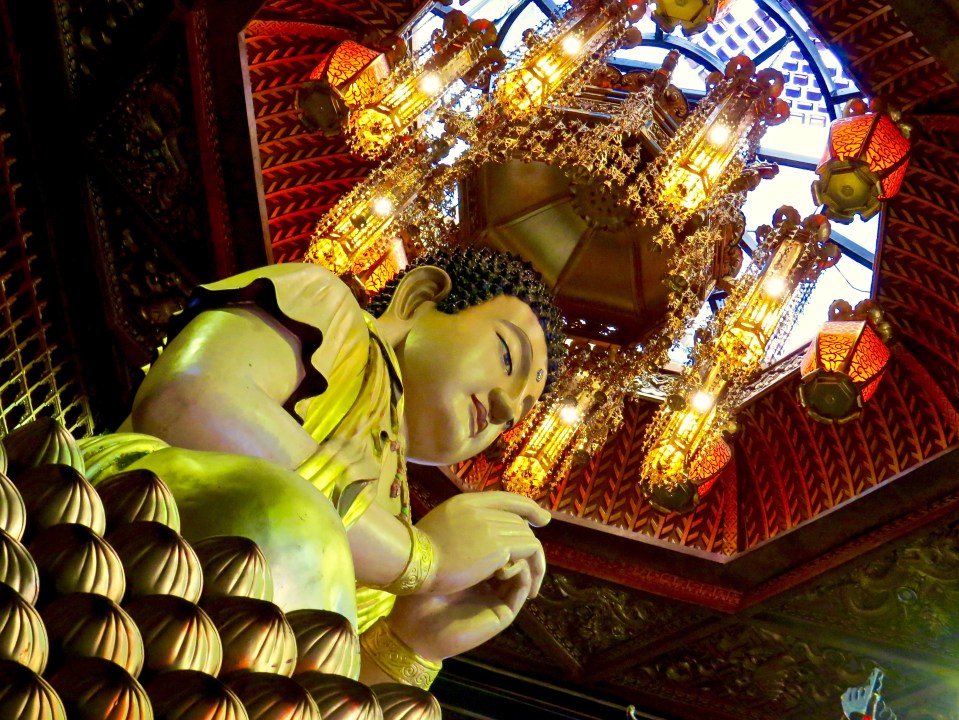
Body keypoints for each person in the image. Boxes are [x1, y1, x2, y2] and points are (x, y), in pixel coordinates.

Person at [92, 246, 567, 688]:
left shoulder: (398, 509)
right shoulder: (331, 309)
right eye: (507, 355)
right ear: (419, 299)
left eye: (520, 414)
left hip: (217, 683)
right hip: (127, 541)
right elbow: (188, 400)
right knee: (292, 511)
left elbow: (330, 688)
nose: (506, 408)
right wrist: (422, 560)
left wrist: (413, 642)